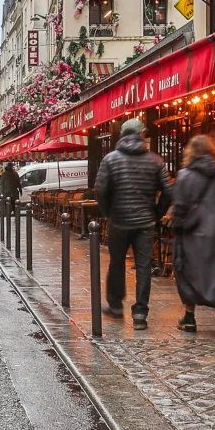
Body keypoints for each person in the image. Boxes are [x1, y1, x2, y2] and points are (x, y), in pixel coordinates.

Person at [91, 117, 169, 330]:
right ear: (141, 134)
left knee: (116, 262)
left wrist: (108, 212)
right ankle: (140, 313)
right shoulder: (155, 160)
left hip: (119, 221)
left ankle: (116, 305)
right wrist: (157, 213)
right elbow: (169, 190)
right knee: (144, 266)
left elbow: (100, 189)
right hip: (145, 222)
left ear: (122, 135)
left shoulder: (110, 159)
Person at [170, 134, 215, 340]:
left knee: (188, 273)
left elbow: (180, 208)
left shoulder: (185, 176)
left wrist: (177, 224)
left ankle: (189, 317)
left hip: (194, 235)